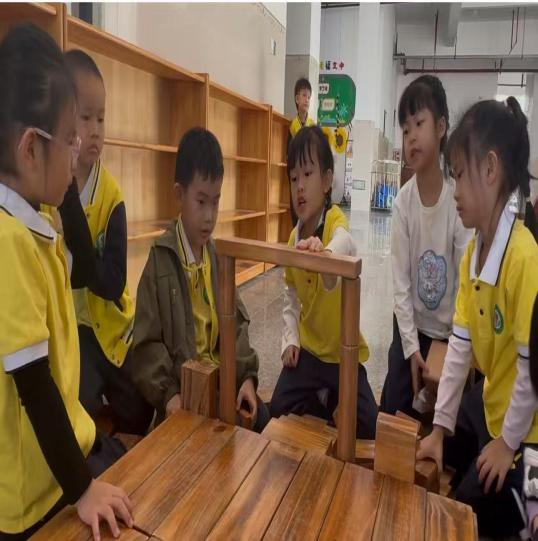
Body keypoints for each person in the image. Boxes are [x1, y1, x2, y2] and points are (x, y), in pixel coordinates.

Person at [0, 24, 133, 541]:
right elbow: (35, 390)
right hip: (34, 496)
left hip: (59, 455)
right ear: (30, 150)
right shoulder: (10, 243)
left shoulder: (34, 219)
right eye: (70, 138)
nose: (79, 148)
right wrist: (82, 489)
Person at [418, 97, 538, 538]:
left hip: (527, 429)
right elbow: (458, 349)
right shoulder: (472, 255)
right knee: (432, 444)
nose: (454, 190)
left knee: (469, 508)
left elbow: (531, 371)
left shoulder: (523, 258)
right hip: (491, 406)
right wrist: (439, 429)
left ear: (490, 169)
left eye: (460, 175)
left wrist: (507, 444)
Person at [131, 127, 269, 432]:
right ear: (179, 195)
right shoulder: (160, 261)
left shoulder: (218, 258)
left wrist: (246, 378)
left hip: (223, 388)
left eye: (216, 202)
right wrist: (170, 396)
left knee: (263, 421)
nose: (209, 216)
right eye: (201, 201)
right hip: (184, 396)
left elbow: (237, 325)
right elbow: (145, 345)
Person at [57, 49, 153, 435]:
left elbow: (114, 282)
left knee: (140, 407)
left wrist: (82, 267)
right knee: (75, 402)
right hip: (70, 330)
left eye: (101, 118)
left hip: (112, 330)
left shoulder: (111, 197)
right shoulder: (48, 191)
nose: (95, 129)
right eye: (85, 117)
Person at [270, 126, 378, 439]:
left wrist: (326, 252)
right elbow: (291, 295)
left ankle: (328, 397)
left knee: (369, 423)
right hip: (309, 353)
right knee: (278, 407)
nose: (300, 187)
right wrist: (290, 340)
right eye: (293, 178)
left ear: (327, 181)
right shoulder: (293, 239)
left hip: (342, 354)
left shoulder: (333, 221)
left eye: (308, 174)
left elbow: (346, 242)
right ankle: (324, 399)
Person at [380, 75, 471, 417]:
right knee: (392, 411)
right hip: (411, 329)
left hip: (448, 334)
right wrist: (410, 347)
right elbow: (400, 284)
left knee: (448, 419)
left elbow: (465, 283)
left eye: (419, 124)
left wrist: (455, 345)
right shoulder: (403, 203)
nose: (411, 137)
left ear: (442, 127)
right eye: (405, 130)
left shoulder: (457, 200)